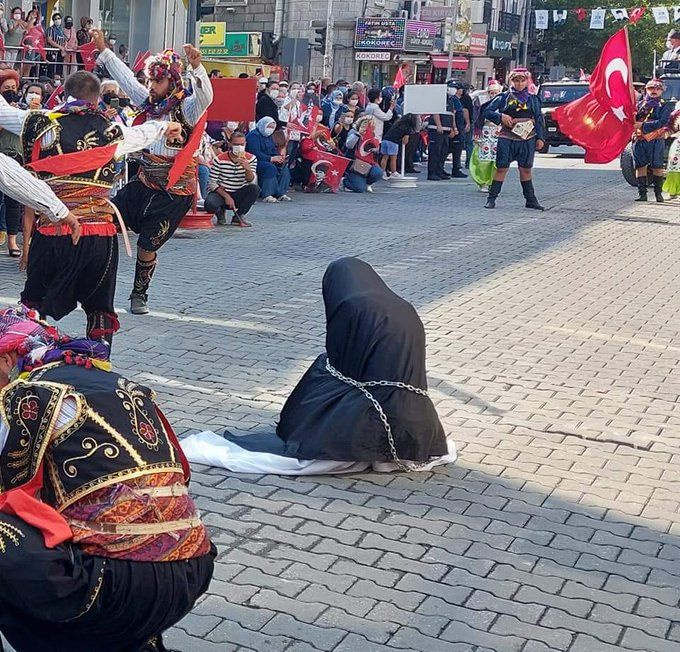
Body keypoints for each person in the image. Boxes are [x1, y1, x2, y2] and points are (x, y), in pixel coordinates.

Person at [0, 306, 215, 652]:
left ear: (8, 358)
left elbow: (9, 488)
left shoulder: (26, 392)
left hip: (114, 587)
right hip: (193, 568)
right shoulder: (122, 385)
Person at [182, 257, 457, 475]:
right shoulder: (402, 307)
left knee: (324, 370)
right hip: (417, 423)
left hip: (365, 419)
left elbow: (342, 363)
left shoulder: (352, 306)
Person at [0, 70, 181, 345]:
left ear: (62, 94)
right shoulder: (112, 129)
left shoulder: (38, 122)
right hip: (99, 234)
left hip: (53, 231)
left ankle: (31, 365)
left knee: (33, 304)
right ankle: (99, 368)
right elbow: (139, 135)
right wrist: (164, 127)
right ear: (97, 98)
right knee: (99, 309)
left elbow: (3, 113)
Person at [92, 32, 214, 316]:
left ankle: (139, 294)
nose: (150, 86)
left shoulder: (188, 108)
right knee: (104, 217)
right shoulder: (149, 103)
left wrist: (197, 67)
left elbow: (206, 96)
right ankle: (95, 282)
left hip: (173, 193)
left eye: (156, 81)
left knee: (148, 245)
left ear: (171, 81)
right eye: (149, 81)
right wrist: (105, 51)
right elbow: (125, 80)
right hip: (144, 183)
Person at [484, 68, 546, 210]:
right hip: (507, 137)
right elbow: (487, 111)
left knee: (525, 169)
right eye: (516, 81)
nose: (519, 84)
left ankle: (530, 200)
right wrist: (501, 117)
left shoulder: (532, 99)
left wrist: (541, 138)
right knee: (502, 167)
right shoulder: (503, 97)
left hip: (527, 138)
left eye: (522, 80)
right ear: (510, 81)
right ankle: (491, 198)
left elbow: (539, 119)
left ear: (527, 81)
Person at [633, 78, 674, 203]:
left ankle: (658, 195)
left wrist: (642, 126)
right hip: (640, 139)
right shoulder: (639, 105)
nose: (654, 91)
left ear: (661, 91)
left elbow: (663, 122)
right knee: (640, 166)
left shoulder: (665, 105)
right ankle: (642, 195)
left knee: (657, 166)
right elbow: (632, 120)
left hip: (656, 140)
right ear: (646, 90)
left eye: (657, 89)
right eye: (651, 88)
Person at [206, 131, 259, 226]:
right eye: (236, 144)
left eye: (241, 144)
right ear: (230, 144)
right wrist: (226, 196)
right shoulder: (219, 159)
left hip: (239, 191)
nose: (239, 147)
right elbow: (212, 182)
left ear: (245, 144)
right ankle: (220, 212)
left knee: (255, 189)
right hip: (222, 191)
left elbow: (251, 180)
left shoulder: (251, 158)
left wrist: (247, 169)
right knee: (210, 203)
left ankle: (238, 216)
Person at [246, 117, 291, 202]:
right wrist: (270, 158)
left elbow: (273, 149)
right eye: (269, 127)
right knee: (269, 168)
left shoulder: (269, 136)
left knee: (284, 167)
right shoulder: (253, 136)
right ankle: (267, 194)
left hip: (269, 159)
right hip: (256, 161)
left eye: (272, 128)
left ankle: (281, 193)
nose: (270, 130)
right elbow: (254, 152)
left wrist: (279, 158)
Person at [469, 79, 503, 192]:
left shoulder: (504, 104)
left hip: (499, 133)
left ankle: (494, 182)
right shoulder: (483, 105)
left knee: (497, 160)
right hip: (486, 133)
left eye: (496, 93)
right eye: (491, 93)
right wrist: (476, 134)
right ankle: (483, 182)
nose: (493, 95)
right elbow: (477, 120)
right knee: (484, 159)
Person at [342, 115, 383, 193]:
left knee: (378, 172)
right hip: (355, 164)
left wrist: (376, 151)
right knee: (360, 189)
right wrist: (358, 134)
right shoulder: (353, 133)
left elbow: (377, 155)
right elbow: (349, 145)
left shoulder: (373, 136)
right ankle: (346, 181)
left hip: (369, 163)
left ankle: (367, 183)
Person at [427, 82, 459, 181]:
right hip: (437, 130)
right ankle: (432, 173)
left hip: (446, 130)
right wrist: (439, 125)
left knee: (443, 152)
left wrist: (454, 128)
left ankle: (439, 171)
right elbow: (436, 112)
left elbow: (452, 115)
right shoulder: (439, 98)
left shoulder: (450, 100)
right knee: (435, 152)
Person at [663, 103, 680, 198]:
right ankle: (672, 191)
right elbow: (669, 128)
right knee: (674, 166)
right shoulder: (676, 114)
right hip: (677, 143)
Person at [46, 12, 66, 78]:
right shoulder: (50, 29)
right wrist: (60, 47)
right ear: (53, 20)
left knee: (59, 69)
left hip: (60, 54)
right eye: (55, 19)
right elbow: (49, 40)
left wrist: (64, 47)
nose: (57, 20)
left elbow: (65, 40)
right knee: (51, 69)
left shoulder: (62, 30)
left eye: (59, 18)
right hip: (52, 53)